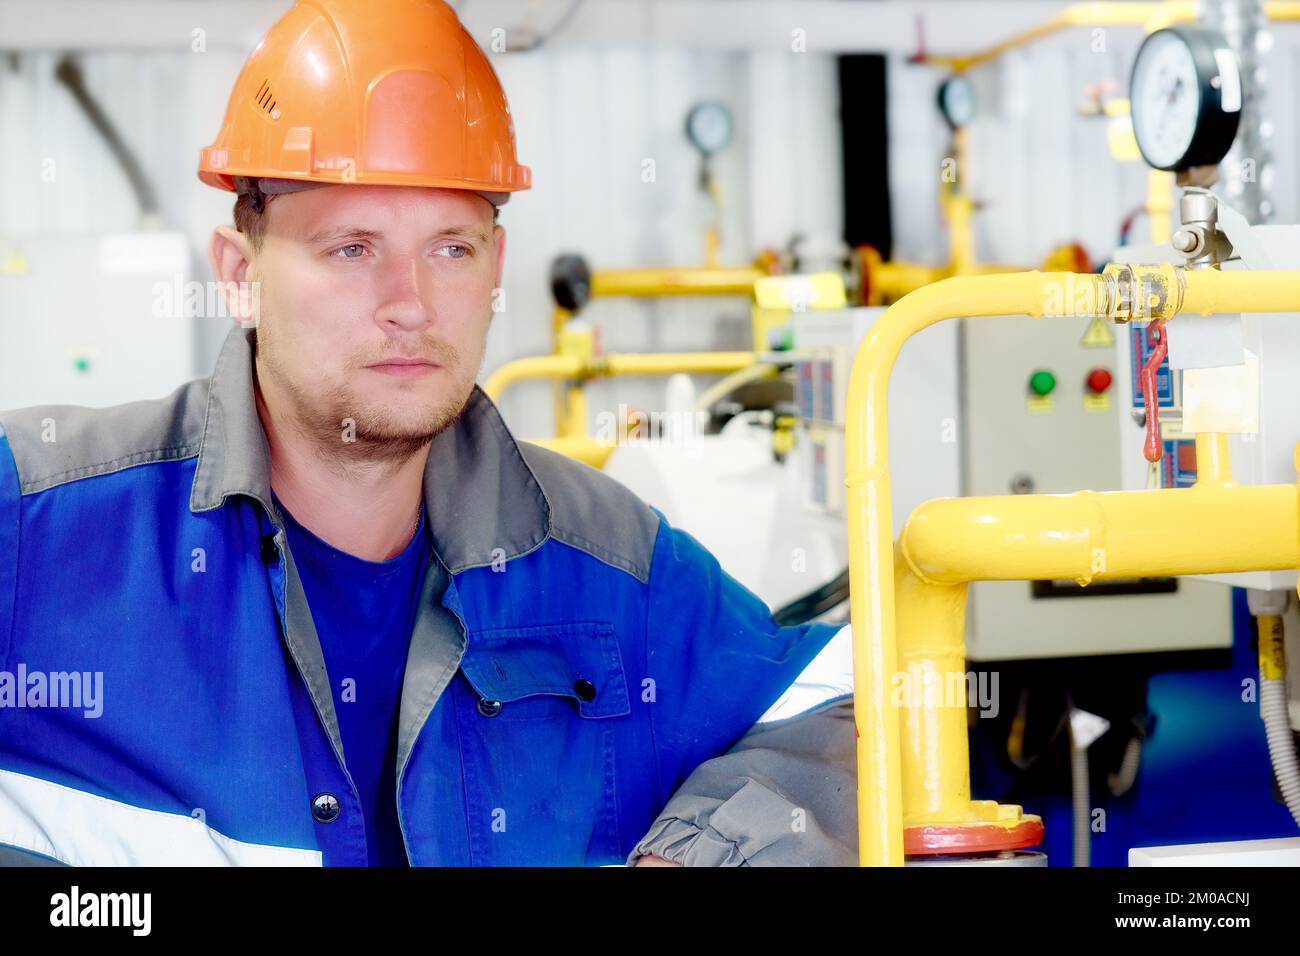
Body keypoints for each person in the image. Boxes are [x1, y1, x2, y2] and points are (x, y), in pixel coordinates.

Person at [0, 0, 855, 866]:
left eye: (451, 247)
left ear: (496, 265)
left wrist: (701, 850)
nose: (410, 302)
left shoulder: (611, 565)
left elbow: (846, 707)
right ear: (239, 275)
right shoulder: (38, 530)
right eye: (352, 248)